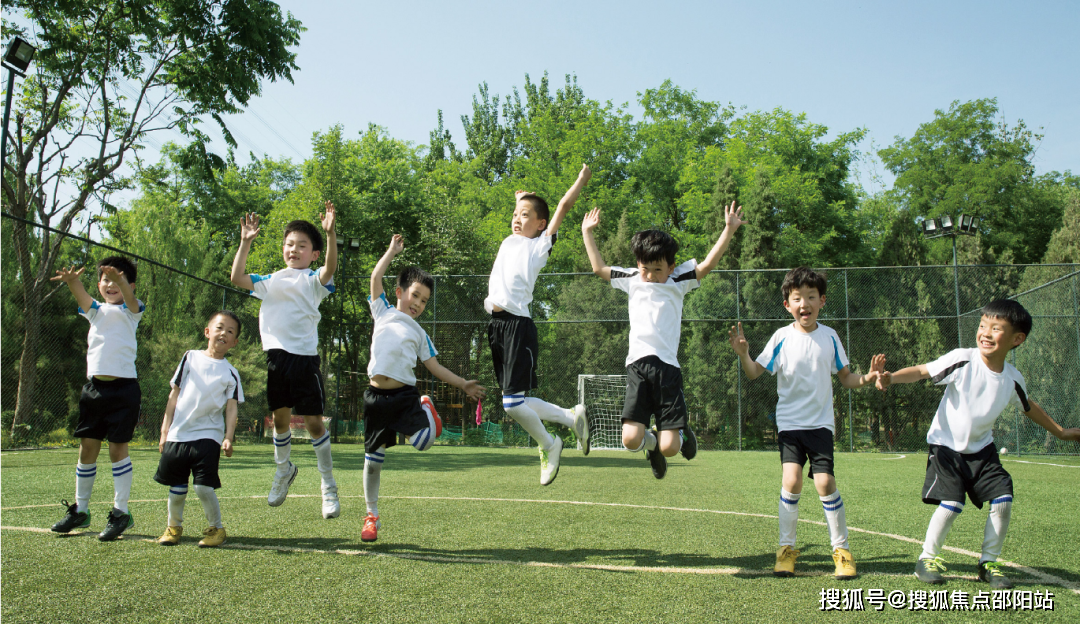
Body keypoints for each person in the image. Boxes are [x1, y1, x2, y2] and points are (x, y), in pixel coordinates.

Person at [877, 299, 1080, 588]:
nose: (985, 332)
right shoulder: (963, 359)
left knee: (1003, 499)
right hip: (946, 448)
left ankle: (989, 563)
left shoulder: (1012, 379)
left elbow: (1028, 406)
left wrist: (1061, 432)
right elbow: (923, 371)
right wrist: (890, 378)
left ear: (1017, 339)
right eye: (982, 325)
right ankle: (926, 558)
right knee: (951, 502)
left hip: (983, 452)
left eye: (996, 328)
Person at [728, 266, 885, 580]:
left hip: (821, 426)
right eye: (797, 298)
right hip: (789, 426)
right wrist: (743, 355)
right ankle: (785, 551)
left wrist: (868, 377)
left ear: (822, 301)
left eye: (811, 297)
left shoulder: (830, 337)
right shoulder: (781, 338)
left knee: (825, 484)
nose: (804, 303)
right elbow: (754, 372)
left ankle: (842, 552)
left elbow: (846, 378)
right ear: (787, 305)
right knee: (792, 481)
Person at [582, 201, 747, 479]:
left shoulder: (678, 279)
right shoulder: (633, 278)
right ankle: (652, 446)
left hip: (667, 369)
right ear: (638, 264)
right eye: (645, 268)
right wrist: (588, 232)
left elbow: (707, 264)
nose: (650, 275)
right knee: (630, 440)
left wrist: (728, 230)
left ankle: (678, 436)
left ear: (671, 267)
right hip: (637, 367)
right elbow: (599, 268)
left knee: (672, 447)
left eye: (658, 270)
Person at [361, 235, 485, 542]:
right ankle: (371, 516)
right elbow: (376, 277)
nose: (417, 303)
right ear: (400, 292)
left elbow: (435, 367)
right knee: (372, 462)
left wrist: (463, 383)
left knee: (425, 442)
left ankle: (426, 407)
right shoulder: (383, 311)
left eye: (424, 300)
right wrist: (391, 251)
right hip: (375, 398)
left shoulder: (419, 333)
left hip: (404, 397)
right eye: (414, 295)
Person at [230, 203, 340, 518]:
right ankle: (283, 470)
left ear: (313, 254)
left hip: (305, 362)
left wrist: (331, 234)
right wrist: (246, 241)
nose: (294, 249)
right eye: (290, 244)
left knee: (314, 423)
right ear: (283, 249)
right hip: (276, 360)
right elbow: (237, 276)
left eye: (302, 245)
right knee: (280, 422)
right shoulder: (271, 280)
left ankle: (328, 486)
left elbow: (330, 269)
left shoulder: (315, 281)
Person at [484, 165, 592, 486]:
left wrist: (580, 179)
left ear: (541, 225)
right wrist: (522, 199)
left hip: (518, 326)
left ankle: (550, 443)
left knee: (512, 403)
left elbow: (562, 207)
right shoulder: (510, 240)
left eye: (526, 216)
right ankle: (571, 417)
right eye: (516, 214)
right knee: (516, 401)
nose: (517, 219)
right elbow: (523, 212)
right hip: (497, 327)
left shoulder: (538, 246)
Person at [49, 256, 145, 541]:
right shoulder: (95, 311)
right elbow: (82, 295)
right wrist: (72, 281)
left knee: (117, 450)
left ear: (129, 284)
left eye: (117, 279)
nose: (110, 284)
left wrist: (120, 280)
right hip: (94, 391)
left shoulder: (132, 311)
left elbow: (128, 297)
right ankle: (81, 509)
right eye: (105, 280)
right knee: (87, 448)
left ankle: (121, 512)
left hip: (124, 391)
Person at [154, 311, 245, 548]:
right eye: (219, 327)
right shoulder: (190, 358)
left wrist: (228, 438)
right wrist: (165, 432)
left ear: (234, 342)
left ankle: (216, 529)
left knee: (203, 487)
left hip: (209, 435)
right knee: (177, 489)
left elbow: (231, 408)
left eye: (230, 331)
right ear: (207, 332)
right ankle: (173, 528)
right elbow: (173, 395)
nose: (223, 333)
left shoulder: (231, 373)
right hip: (178, 434)